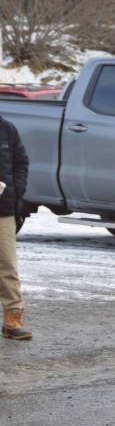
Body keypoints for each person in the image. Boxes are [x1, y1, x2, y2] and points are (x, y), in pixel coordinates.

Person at [1, 114, 31, 340]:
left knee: (7, 264)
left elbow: (21, 162)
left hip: (4, 208)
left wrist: (16, 191)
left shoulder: (7, 129)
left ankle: (12, 320)